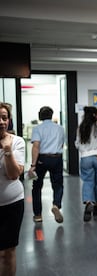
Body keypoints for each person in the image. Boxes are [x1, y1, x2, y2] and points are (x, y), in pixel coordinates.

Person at [0, 102, 25, 276]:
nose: (2, 121)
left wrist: (7, 149)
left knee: (7, 253)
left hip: (11, 204)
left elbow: (14, 174)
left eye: (4, 117)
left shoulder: (17, 142)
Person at [29, 106, 65, 223]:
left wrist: (33, 164)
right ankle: (56, 204)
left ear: (40, 116)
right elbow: (61, 144)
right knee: (58, 184)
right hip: (57, 158)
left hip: (42, 159)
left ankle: (38, 215)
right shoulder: (60, 128)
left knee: (37, 187)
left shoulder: (37, 128)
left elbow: (36, 146)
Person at [75, 106, 97, 222]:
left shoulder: (81, 128)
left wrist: (84, 150)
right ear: (94, 115)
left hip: (85, 158)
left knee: (88, 181)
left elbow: (77, 144)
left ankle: (89, 202)